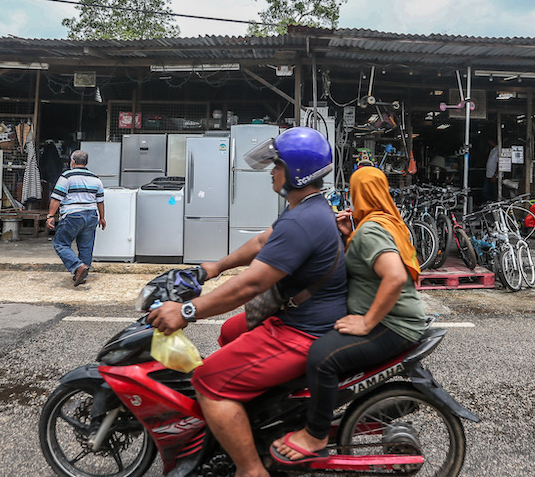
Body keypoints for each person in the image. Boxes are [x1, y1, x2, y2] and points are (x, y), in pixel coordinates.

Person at [148, 127, 346, 477]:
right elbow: (261, 242)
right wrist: (214, 267)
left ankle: (250, 469)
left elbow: (250, 285)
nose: (272, 171)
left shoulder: (302, 220)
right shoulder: (307, 209)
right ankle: (260, 419)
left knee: (207, 382)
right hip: (300, 317)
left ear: (297, 172)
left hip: (303, 331)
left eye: (278, 165)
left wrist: (186, 311)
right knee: (230, 331)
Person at [270, 165, 428, 466]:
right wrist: (347, 237)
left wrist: (367, 322)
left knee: (323, 357)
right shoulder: (383, 222)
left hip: (393, 324)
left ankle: (315, 436)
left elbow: (393, 277)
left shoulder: (370, 230)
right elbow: (367, 266)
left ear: (358, 194)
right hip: (396, 318)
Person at [46, 150, 106, 286]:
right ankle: (82, 276)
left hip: (73, 215)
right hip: (91, 215)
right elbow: (100, 201)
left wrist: (50, 216)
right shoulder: (95, 178)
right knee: (86, 247)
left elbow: (56, 198)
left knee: (60, 244)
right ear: (86, 162)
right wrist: (102, 218)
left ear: (72, 162)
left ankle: (77, 267)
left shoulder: (67, 176)